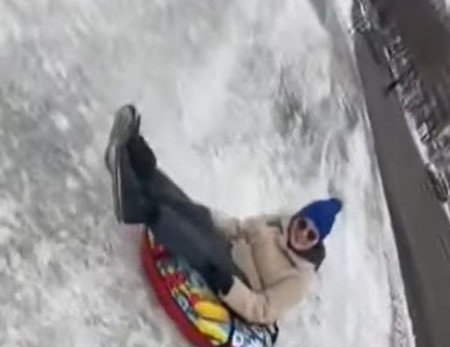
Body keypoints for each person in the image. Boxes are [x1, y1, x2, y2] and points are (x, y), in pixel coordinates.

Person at [105, 104, 342, 326]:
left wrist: (231, 288)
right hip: (229, 250)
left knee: (199, 243)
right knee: (194, 214)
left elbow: (264, 310)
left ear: (315, 241)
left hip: (235, 283)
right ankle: (140, 165)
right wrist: (206, 215)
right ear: (297, 217)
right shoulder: (277, 224)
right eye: (303, 224)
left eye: (311, 235)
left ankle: (135, 208)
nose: (302, 234)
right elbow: (238, 228)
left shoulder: (299, 280)